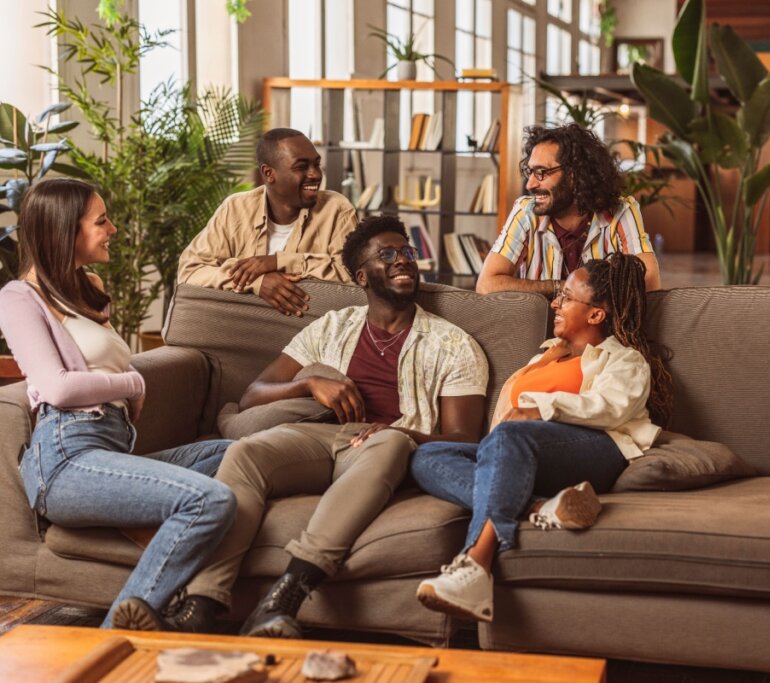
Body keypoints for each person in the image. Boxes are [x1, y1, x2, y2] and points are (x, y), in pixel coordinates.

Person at [114, 215, 490, 638]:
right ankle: (202, 602)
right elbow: (255, 393)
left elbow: (465, 439)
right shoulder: (333, 326)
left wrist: (403, 434)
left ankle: (285, 597)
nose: (403, 260)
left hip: (390, 446)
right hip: (321, 435)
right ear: (362, 276)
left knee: (387, 445)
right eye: (387, 254)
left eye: (407, 252)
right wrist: (309, 383)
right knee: (245, 453)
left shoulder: (453, 343)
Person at [0, 178, 236, 629]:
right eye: (101, 221)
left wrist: (125, 386)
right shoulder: (18, 298)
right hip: (66, 460)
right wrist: (131, 384)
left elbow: (95, 373)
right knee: (209, 500)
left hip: (110, 450)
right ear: (65, 229)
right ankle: (123, 627)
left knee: (237, 453)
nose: (114, 229)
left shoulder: (88, 286)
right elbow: (58, 388)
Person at [413, 252, 672, 622]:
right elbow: (504, 424)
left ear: (596, 314)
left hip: (598, 450)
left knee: (510, 438)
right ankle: (541, 507)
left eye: (566, 297)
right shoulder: (545, 357)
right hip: (520, 450)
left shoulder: (624, 360)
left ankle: (475, 564)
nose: (555, 302)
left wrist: (541, 409)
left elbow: (610, 407)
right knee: (427, 457)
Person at [178, 128, 357, 317]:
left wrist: (279, 262)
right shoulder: (235, 209)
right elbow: (190, 271)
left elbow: (354, 278)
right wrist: (257, 282)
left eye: (317, 164)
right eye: (301, 167)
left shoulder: (337, 209)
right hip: (241, 330)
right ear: (269, 173)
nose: (315, 175)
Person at [477, 124, 661, 297]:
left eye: (541, 172)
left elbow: (649, 285)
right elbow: (486, 285)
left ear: (574, 175)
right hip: (541, 328)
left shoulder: (621, 212)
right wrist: (562, 287)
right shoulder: (526, 211)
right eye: (530, 172)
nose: (531, 184)